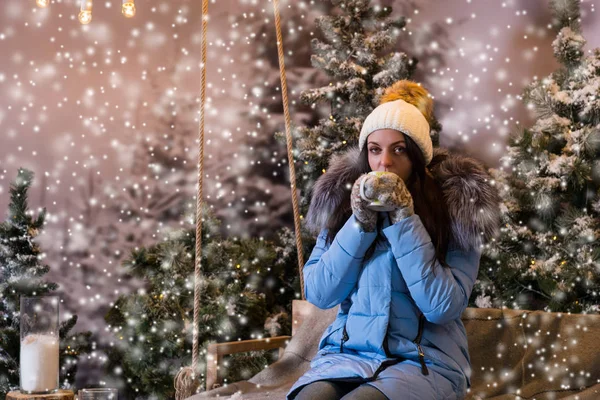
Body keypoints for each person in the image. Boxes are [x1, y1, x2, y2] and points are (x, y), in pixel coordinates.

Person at [287, 80, 501, 400]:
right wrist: (360, 224)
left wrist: (404, 220)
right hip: (347, 356)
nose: (384, 162)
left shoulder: (456, 211)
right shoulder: (343, 208)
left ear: (416, 156)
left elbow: (443, 307)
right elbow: (321, 292)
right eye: (375, 150)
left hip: (425, 362)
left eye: (398, 149)